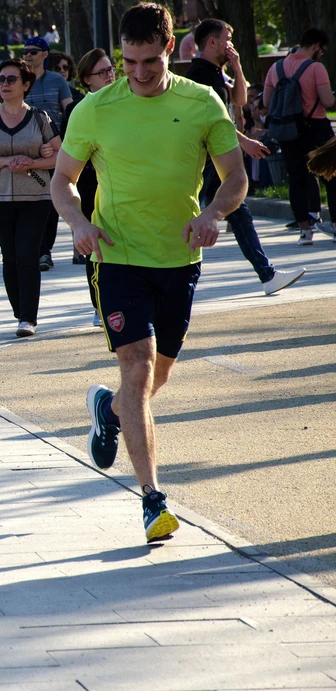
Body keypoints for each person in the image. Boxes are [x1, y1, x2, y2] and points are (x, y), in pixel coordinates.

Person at [52, 3, 246, 542]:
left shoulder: (202, 101)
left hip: (179, 259)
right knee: (137, 369)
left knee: (155, 378)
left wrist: (213, 213)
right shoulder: (95, 108)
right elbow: (62, 179)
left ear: (171, 50)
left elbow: (236, 177)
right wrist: (77, 221)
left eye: (151, 62)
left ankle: (105, 409)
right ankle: (152, 499)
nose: (139, 74)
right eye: (130, 62)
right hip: (115, 255)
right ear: (121, 54)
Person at [185, 19, 305, 294]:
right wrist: (245, 141)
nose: (231, 45)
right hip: (207, 157)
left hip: (214, 156)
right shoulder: (200, 75)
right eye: (227, 38)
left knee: (237, 214)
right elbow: (210, 123)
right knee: (234, 212)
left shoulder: (215, 73)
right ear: (212, 42)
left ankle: (267, 274)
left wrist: (237, 67)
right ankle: (267, 274)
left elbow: (239, 101)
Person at [0, 59, 61, 338]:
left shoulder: (40, 118)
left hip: (36, 197)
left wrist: (32, 163)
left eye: (11, 79)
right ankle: (19, 310)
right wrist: (8, 160)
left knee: (27, 254)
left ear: (26, 84)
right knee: (9, 256)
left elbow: (62, 156)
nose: (4, 84)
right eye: (1, 80)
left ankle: (28, 318)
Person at [263, 27, 336, 245]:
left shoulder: (276, 68)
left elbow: (267, 102)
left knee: (296, 179)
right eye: (321, 50)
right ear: (315, 46)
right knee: (331, 176)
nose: (321, 54)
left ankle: (304, 231)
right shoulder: (316, 68)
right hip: (317, 128)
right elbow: (328, 102)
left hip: (288, 130)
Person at [61, 48, 116, 327]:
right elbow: (66, 152)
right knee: (94, 248)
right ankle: (98, 305)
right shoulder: (76, 110)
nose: (109, 76)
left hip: (118, 185)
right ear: (86, 79)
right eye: (102, 72)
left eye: (111, 70)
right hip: (87, 185)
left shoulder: (125, 103)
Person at [22, 36, 73, 272]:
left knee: (51, 203)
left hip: (55, 149)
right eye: (26, 52)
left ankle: (45, 250)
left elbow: (69, 112)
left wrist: (63, 143)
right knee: (32, 201)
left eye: (33, 51)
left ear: (45, 54)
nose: (28, 55)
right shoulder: (20, 81)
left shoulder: (57, 81)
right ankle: (37, 249)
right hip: (26, 150)